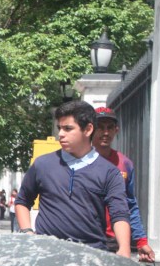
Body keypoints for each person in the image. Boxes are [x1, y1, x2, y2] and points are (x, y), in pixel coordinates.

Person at [15, 100, 131, 257]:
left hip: (91, 256)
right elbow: (22, 201)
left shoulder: (109, 172)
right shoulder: (42, 164)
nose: (61, 134)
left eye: (68, 128)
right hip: (46, 254)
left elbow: (119, 214)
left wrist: (124, 249)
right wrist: (27, 232)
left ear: (88, 129)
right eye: (60, 128)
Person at [92, 107, 155, 263]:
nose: (105, 132)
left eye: (110, 127)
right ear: (90, 129)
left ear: (116, 130)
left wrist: (141, 241)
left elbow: (130, 204)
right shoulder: (80, 162)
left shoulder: (125, 163)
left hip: (114, 240)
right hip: (88, 236)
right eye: (100, 127)